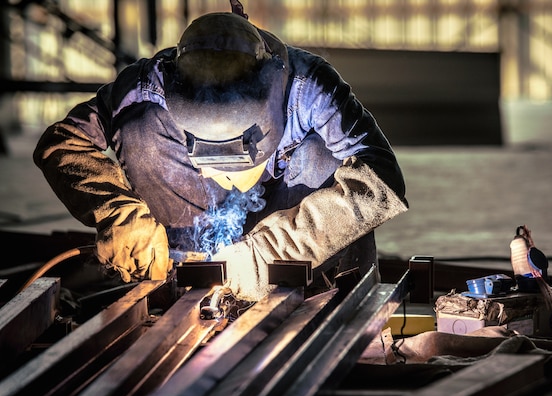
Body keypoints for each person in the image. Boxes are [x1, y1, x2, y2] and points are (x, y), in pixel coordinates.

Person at [33, 2, 408, 302]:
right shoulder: (147, 84)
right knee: (140, 125)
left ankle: (320, 284)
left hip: (289, 234)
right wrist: (117, 212)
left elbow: (381, 180)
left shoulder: (310, 86)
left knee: (320, 153)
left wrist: (269, 250)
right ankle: (183, 275)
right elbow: (63, 142)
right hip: (196, 221)